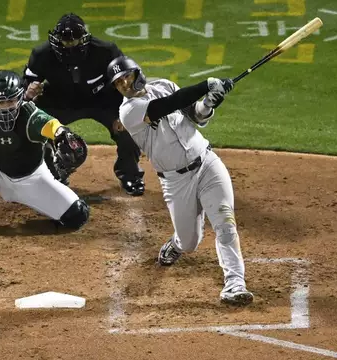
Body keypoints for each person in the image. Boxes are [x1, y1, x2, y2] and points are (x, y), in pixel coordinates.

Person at [106, 55, 253, 306]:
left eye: (126, 78)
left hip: (207, 164)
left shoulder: (163, 85)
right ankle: (176, 243)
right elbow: (170, 104)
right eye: (118, 83)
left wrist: (209, 103)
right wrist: (207, 84)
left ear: (137, 73)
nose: (125, 85)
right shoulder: (128, 111)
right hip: (176, 182)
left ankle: (235, 283)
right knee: (189, 242)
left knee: (225, 224)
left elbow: (194, 115)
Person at [0, 69, 90, 234]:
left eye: (11, 101)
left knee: (77, 216)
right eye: (0, 103)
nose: (5, 108)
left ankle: (52, 182)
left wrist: (61, 133)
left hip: (32, 180)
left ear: (20, 98)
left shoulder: (31, 117)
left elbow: (52, 125)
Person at [22, 13, 145, 196]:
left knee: (128, 128)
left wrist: (125, 110)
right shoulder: (42, 54)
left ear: (84, 39)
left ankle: (130, 175)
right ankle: (49, 174)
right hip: (60, 102)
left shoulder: (106, 50)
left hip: (104, 101)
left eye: (74, 41)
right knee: (33, 125)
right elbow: (25, 84)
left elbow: (128, 80)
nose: (69, 45)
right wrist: (28, 91)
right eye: (65, 41)